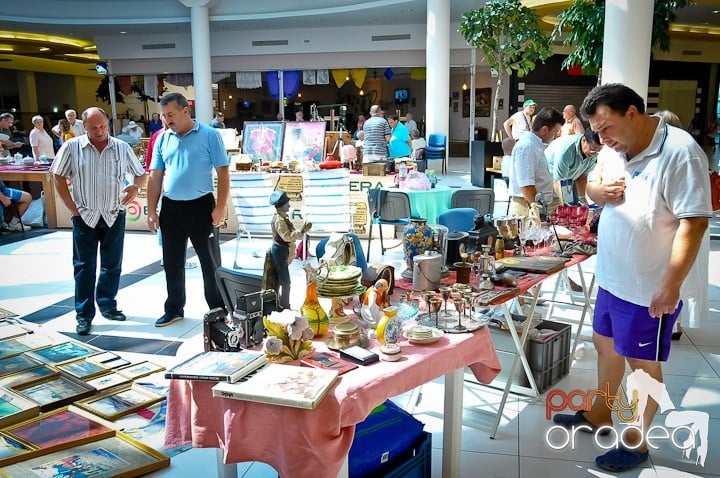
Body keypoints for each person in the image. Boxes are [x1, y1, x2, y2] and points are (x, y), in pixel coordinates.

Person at [552, 83, 712, 473]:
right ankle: (600, 415)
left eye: (606, 128)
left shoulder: (680, 152)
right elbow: (589, 187)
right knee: (605, 348)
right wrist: (596, 190)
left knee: (643, 365)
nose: (602, 139)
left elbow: (694, 222)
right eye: (596, 132)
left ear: (632, 113)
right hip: (612, 276)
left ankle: (637, 443)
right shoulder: (615, 148)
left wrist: (671, 284)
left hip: (647, 287)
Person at [51, 107, 145, 335]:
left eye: (103, 126)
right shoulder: (72, 147)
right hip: (85, 215)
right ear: (84, 127)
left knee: (112, 265)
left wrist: (135, 187)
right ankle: (83, 314)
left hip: (114, 214)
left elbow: (141, 173)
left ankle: (107, 304)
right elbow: (57, 175)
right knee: (84, 267)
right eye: (94, 128)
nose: (100, 131)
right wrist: (72, 208)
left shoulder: (121, 147)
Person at [146, 92, 229, 327]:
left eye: (170, 115)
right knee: (172, 262)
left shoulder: (210, 135)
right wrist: (152, 210)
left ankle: (217, 308)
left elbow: (223, 172)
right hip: (171, 208)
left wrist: (221, 206)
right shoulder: (163, 138)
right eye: (163, 116)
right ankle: (174, 308)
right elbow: (155, 176)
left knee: (210, 262)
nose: (167, 120)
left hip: (201, 206)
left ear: (185, 111)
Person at [508, 107, 564, 217]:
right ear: (544, 129)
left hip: (537, 204)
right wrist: (538, 210)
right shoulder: (527, 146)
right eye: (555, 132)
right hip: (527, 206)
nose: (555, 136)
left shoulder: (536, 144)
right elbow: (526, 184)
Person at [269, 190, 311, 310]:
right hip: (280, 251)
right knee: (285, 282)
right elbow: (287, 237)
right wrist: (301, 231)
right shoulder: (280, 220)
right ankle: (284, 305)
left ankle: (281, 303)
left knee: (282, 281)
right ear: (281, 206)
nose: (289, 205)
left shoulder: (283, 218)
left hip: (283, 251)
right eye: (287, 203)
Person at [544, 129, 602, 205]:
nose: (594, 153)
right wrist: (566, 204)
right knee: (560, 208)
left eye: (598, 151)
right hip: (547, 181)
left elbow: (582, 178)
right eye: (592, 149)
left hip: (567, 181)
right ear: (584, 140)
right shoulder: (566, 150)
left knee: (578, 206)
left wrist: (583, 201)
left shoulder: (593, 153)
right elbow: (559, 181)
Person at [363, 105, 391, 171]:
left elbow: (365, 137)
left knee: (368, 175)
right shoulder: (383, 121)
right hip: (380, 152)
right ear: (379, 112)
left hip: (367, 152)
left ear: (370, 113)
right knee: (381, 175)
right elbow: (388, 138)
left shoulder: (366, 123)